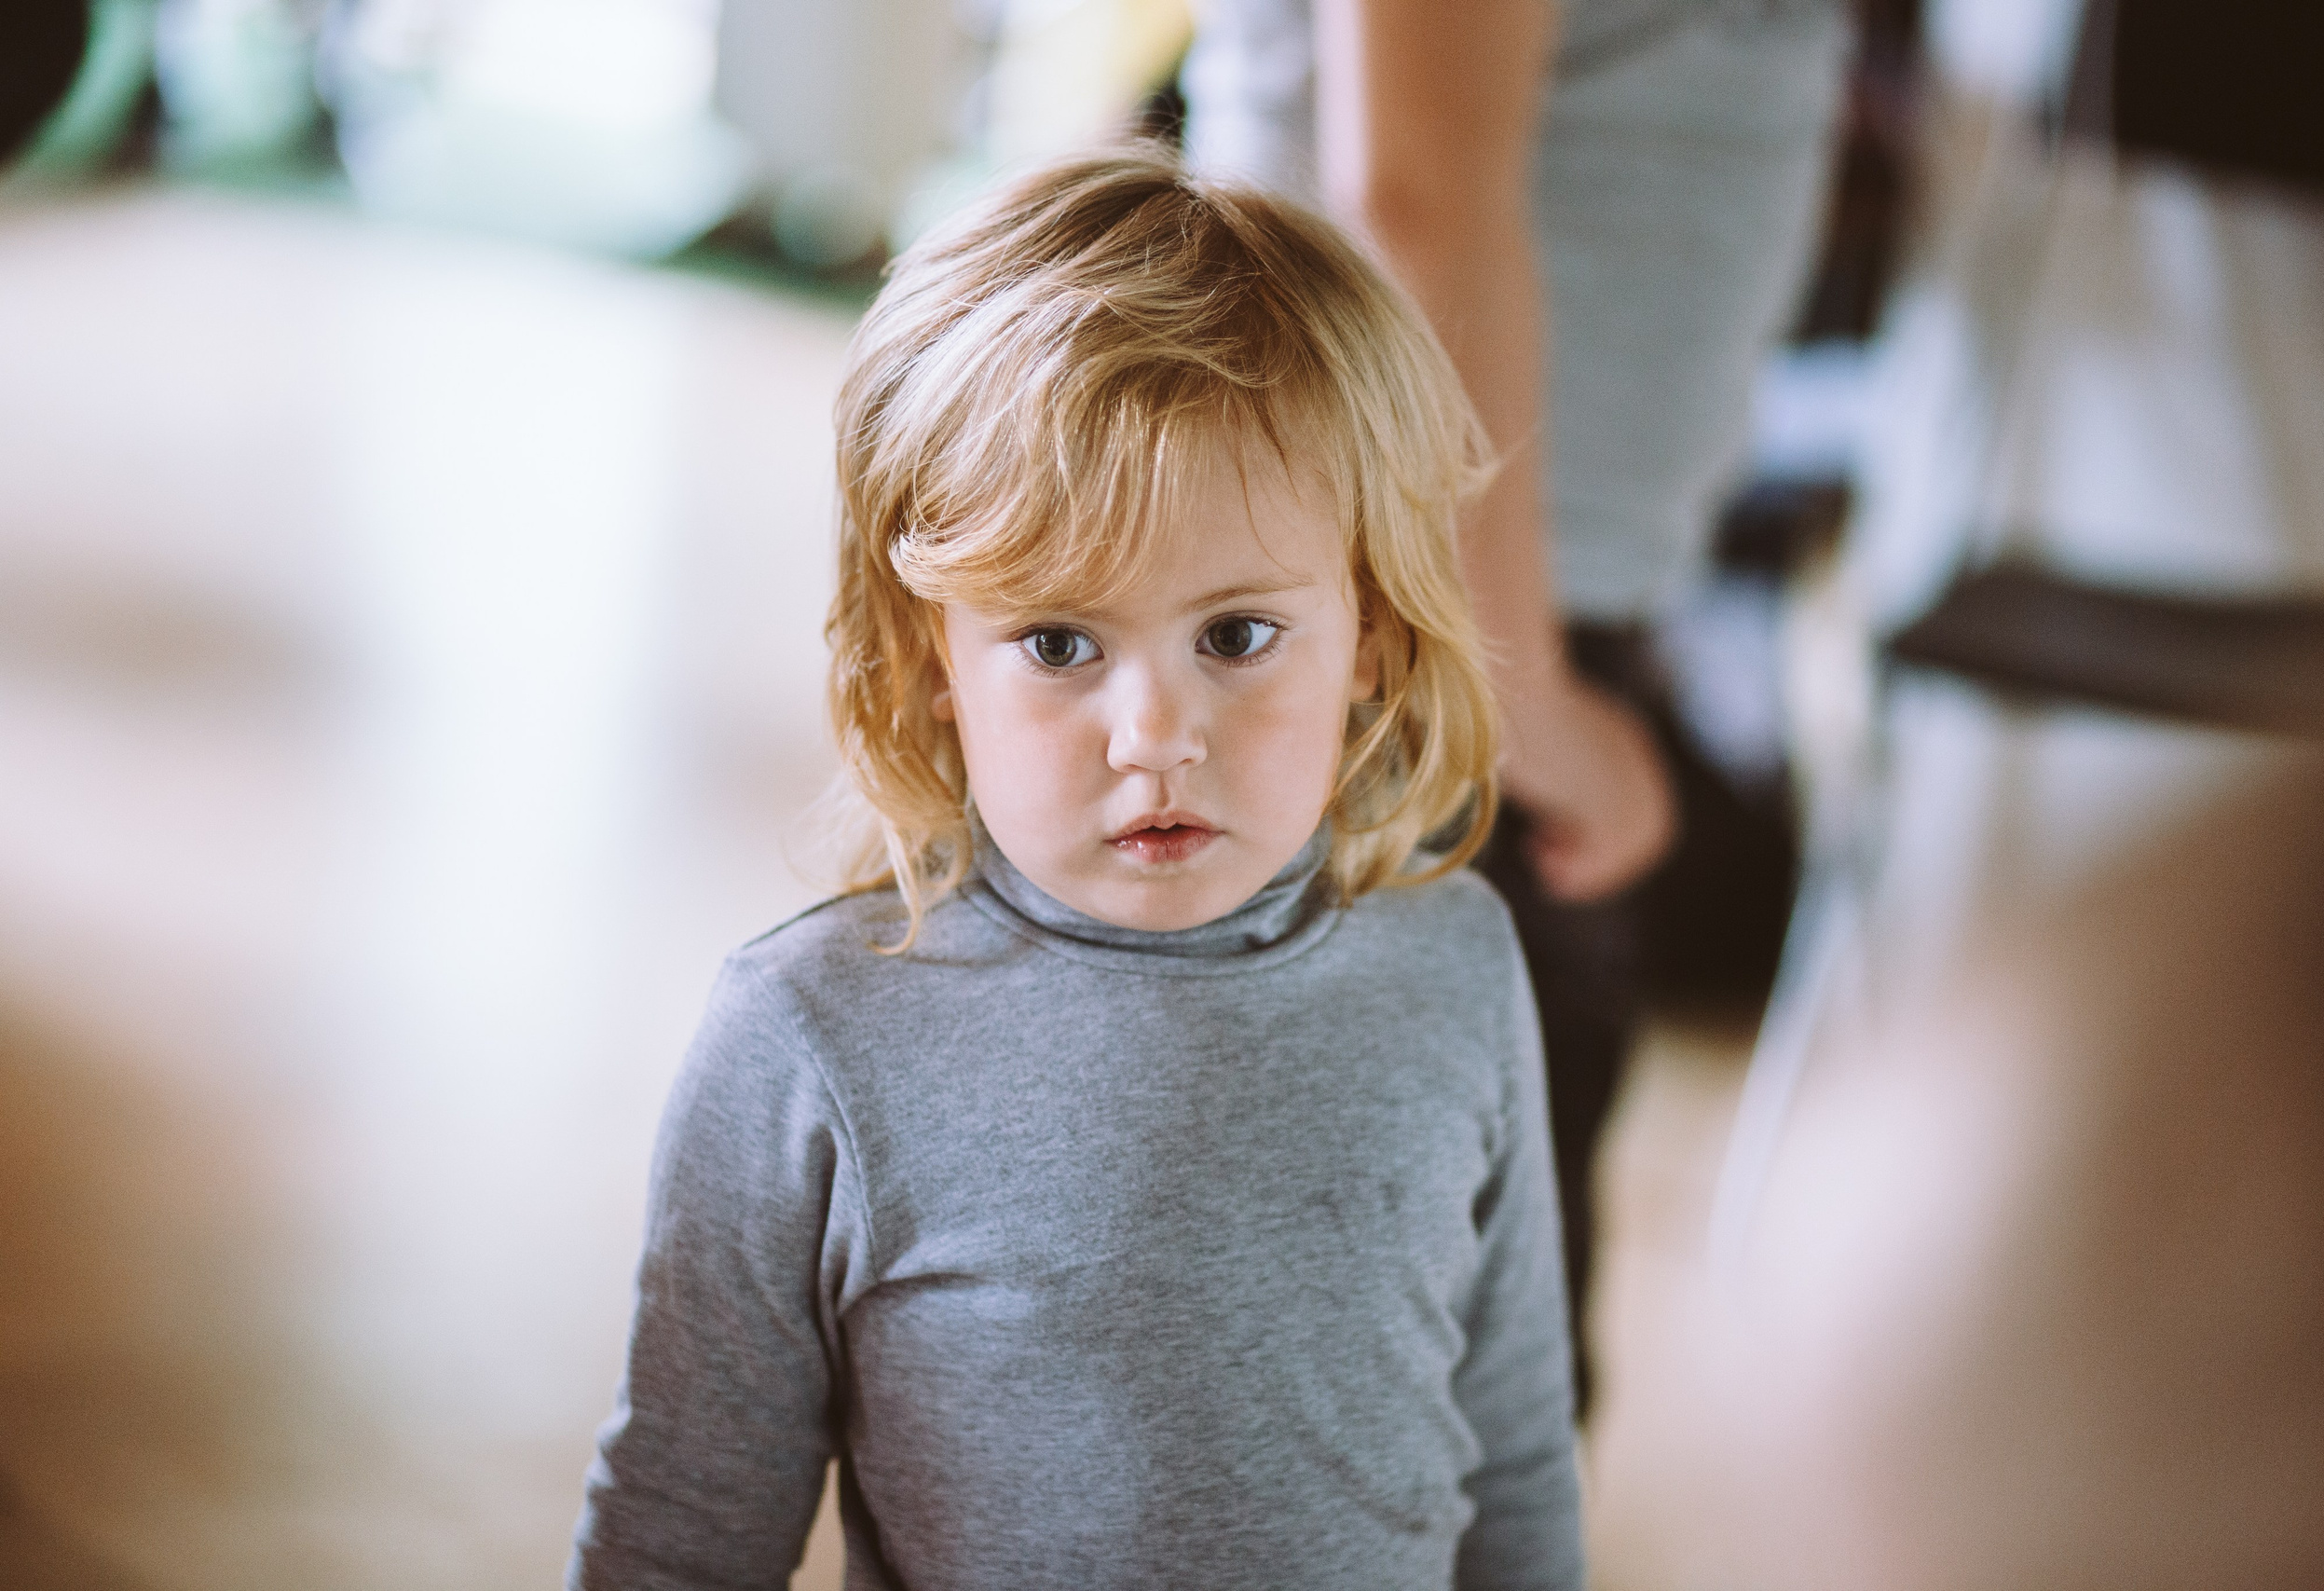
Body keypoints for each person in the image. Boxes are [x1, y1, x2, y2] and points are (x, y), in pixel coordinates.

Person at [568, 148, 1584, 1591]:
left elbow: (1519, 1461)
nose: (1154, 739)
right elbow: (682, 1530)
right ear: (933, 663)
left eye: (1236, 635)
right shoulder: (810, 1043)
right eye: (1059, 644)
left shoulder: (1459, 964)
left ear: (1374, 634)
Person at [1183, 0, 1850, 1407]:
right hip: (1412, 640)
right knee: (1429, 1398)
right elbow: (1412, 194)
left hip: (1439, 613)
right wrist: (1509, 686)